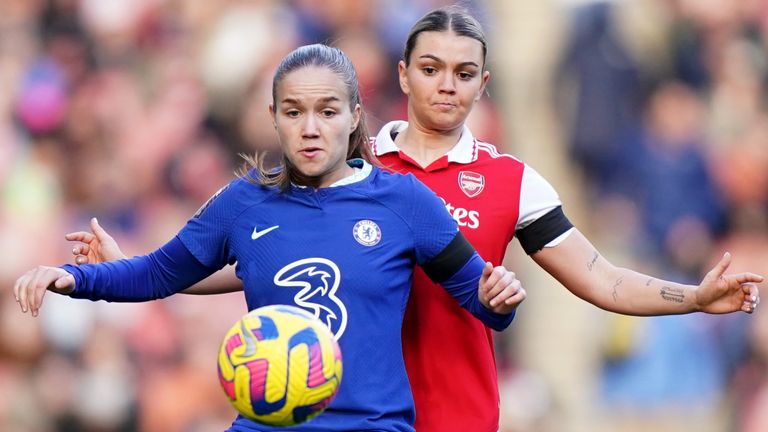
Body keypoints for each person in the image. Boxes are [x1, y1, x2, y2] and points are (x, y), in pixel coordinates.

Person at [62, 7, 763, 432]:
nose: (447, 85)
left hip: (459, 418)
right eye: (431, 68)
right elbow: (266, 262)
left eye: (464, 72)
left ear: (484, 84)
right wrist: (141, 271)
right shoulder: (346, 169)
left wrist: (692, 299)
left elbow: (601, 279)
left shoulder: (513, 182)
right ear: (402, 75)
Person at [12, 43, 528, 432]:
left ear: (353, 118)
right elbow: (157, 272)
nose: (310, 128)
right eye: (293, 111)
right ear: (273, 119)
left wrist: (498, 298)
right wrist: (74, 278)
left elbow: (484, 302)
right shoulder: (242, 204)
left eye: (327, 111)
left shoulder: (405, 202)